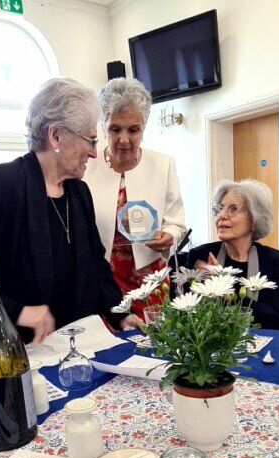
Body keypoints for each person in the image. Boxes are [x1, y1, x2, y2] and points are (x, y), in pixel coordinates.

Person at [0, 77, 140, 362]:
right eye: (90, 140)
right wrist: (17, 311)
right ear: (55, 136)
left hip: (66, 346)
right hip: (4, 352)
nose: (94, 152)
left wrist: (120, 314)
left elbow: (95, 264)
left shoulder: (78, 192)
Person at [84, 77, 186, 318]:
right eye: (115, 129)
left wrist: (169, 236)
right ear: (103, 126)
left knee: (153, 339)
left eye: (133, 130)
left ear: (144, 128)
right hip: (102, 281)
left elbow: (176, 223)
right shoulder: (86, 167)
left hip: (150, 280)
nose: (124, 139)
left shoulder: (163, 165)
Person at [188, 179, 279, 330]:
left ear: (254, 220)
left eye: (233, 208)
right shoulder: (200, 255)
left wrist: (229, 294)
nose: (222, 215)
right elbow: (185, 314)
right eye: (220, 209)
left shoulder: (275, 261)